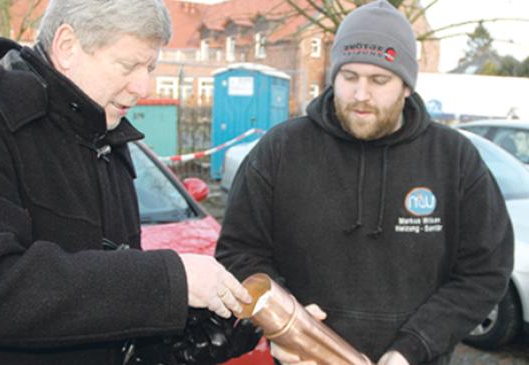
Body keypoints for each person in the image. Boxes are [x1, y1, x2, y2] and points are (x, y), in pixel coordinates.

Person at [0, 0, 257, 364]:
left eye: (150, 67)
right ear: (68, 47)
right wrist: (169, 280)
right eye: (129, 65)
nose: (142, 86)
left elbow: (99, 308)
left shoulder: (106, 140)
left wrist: (188, 340)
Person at [215, 1, 514, 364]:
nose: (360, 94)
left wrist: (415, 345)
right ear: (333, 74)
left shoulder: (453, 159)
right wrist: (285, 320)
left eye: (379, 80)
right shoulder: (281, 151)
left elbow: (484, 271)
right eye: (349, 77)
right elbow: (239, 252)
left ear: (406, 86)